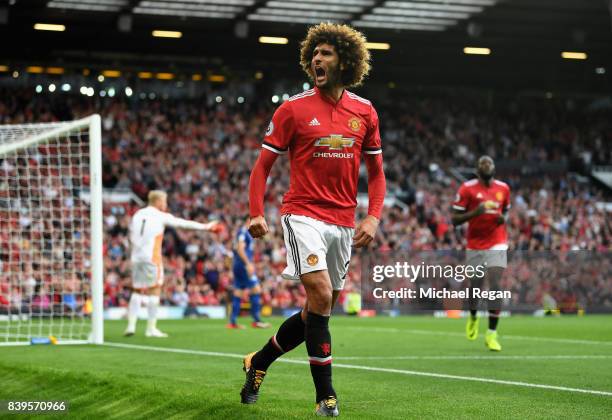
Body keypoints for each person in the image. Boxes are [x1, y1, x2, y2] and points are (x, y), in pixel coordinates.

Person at [240, 22, 386, 417]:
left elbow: (376, 172)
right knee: (321, 297)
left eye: (327, 53)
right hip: (302, 214)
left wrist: (372, 217)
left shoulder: (364, 112)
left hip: (343, 221)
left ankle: (259, 362)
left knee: (316, 312)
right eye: (315, 54)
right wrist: (256, 211)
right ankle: (326, 397)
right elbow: (262, 166)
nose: (318, 59)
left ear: (346, 61)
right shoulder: (293, 109)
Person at [125, 190, 219, 338]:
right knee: (154, 289)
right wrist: (206, 227)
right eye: (164, 201)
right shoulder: (159, 216)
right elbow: (183, 224)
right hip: (151, 258)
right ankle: (151, 328)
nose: (165, 204)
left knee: (137, 290)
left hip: (136, 257)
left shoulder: (137, 215)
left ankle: (130, 326)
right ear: (157, 202)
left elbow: (130, 235)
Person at [451, 156, 511, 351]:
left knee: (495, 281)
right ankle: (474, 315)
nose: (487, 166)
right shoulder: (467, 188)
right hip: (475, 243)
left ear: (494, 168)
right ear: (477, 170)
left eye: (490, 164)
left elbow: (506, 212)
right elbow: (454, 219)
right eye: (483, 165)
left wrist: (502, 219)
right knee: (476, 285)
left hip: (497, 241)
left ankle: (492, 334)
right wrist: (475, 213)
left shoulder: (503, 188)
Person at [227, 221, 271, 329]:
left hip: (238, 265)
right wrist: (248, 264)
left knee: (239, 292)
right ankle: (256, 320)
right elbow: (240, 249)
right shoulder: (243, 231)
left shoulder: (246, 232)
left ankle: (232, 322)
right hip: (243, 266)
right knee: (256, 289)